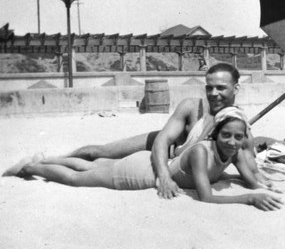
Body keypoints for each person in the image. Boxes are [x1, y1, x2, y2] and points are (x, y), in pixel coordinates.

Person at [3, 107, 284, 212]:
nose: (233, 143)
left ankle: (44, 159)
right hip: (140, 173)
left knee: (91, 166)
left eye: (238, 137)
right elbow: (206, 197)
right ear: (215, 134)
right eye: (226, 136)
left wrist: (265, 186)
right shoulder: (201, 152)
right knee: (80, 179)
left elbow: (249, 174)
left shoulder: (231, 153)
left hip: (145, 164)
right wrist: (248, 199)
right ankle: (32, 167)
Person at [64, 63, 270, 199]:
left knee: (103, 166)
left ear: (236, 89)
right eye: (209, 87)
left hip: (177, 161)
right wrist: (164, 177)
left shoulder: (239, 126)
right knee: (97, 153)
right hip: (162, 146)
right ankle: (59, 158)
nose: (213, 94)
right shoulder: (192, 106)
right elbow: (161, 142)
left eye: (221, 88)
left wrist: (266, 182)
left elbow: (251, 168)